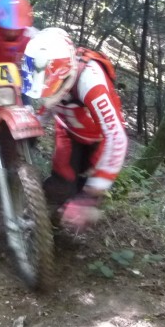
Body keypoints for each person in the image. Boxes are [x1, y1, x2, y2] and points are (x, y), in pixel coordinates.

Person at [20, 27, 128, 230]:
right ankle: (38, 226)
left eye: (53, 87)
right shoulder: (46, 72)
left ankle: (61, 226)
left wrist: (91, 195)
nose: (48, 93)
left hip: (100, 139)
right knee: (61, 184)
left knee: (84, 191)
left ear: (67, 73)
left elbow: (116, 137)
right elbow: (47, 107)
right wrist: (30, 131)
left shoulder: (91, 81)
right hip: (68, 131)